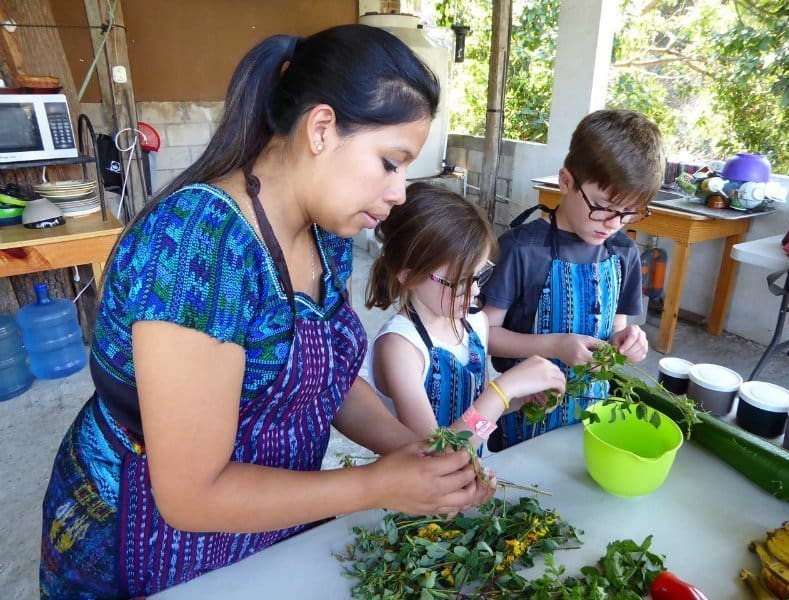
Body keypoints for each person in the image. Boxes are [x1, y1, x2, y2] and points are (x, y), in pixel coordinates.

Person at [40, 25, 494, 598]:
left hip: (263, 523)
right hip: (146, 542)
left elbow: (325, 377)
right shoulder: (198, 248)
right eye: (390, 162)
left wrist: (411, 451)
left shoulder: (323, 229)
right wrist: (375, 486)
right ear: (322, 129)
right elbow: (190, 496)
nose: (400, 192)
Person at [482, 109, 664, 450]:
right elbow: (485, 337)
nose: (613, 222)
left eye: (628, 213)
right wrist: (554, 346)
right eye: (604, 206)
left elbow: (614, 332)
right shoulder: (522, 249)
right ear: (566, 182)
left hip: (593, 420)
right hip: (525, 417)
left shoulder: (623, 252)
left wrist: (629, 342)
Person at [365, 182, 566, 447]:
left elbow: (474, 410)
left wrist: (521, 397)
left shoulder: (474, 322)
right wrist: (503, 390)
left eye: (480, 275)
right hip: (422, 484)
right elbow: (440, 451)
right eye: (460, 282)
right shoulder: (400, 347)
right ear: (410, 275)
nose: (474, 291)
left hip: (467, 479)